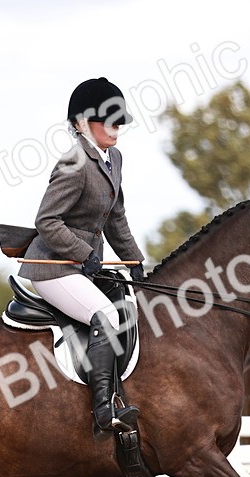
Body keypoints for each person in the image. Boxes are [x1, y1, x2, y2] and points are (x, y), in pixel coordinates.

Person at [18, 77, 147, 434]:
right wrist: (84, 253)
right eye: (107, 120)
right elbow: (46, 220)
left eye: (119, 120)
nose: (116, 127)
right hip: (54, 267)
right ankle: (104, 411)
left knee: (129, 303)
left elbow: (116, 221)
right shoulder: (75, 163)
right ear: (80, 123)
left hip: (84, 267)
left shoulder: (113, 159)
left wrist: (137, 264)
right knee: (105, 314)